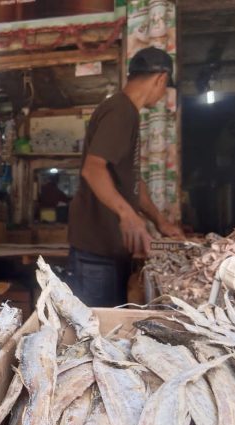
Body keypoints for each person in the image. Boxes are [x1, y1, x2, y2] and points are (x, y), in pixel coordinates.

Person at [67, 47, 183, 307]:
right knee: (96, 334)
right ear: (160, 79)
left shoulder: (126, 112)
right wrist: (128, 215)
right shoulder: (121, 111)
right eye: (165, 87)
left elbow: (133, 181)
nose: (163, 94)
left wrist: (159, 221)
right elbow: (93, 169)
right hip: (96, 256)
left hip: (111, 253)